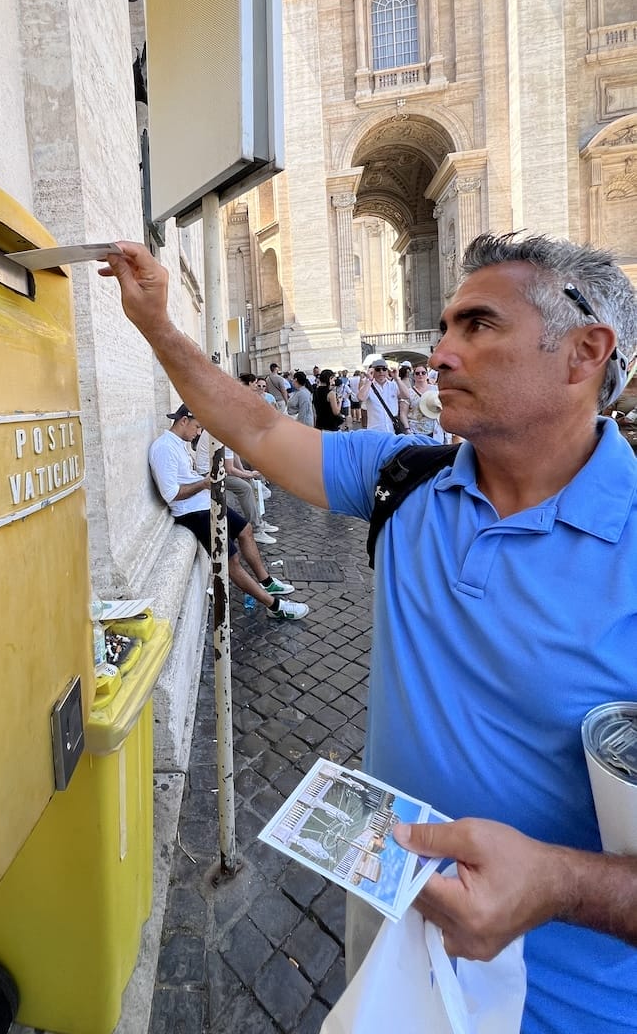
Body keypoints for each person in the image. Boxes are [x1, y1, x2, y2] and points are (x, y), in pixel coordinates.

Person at [102, 232, 637, 1034]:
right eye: (446, 325)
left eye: (478, 326)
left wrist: (560, 884)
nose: (441, 352)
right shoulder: (405, 476)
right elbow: (250, 426)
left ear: (584, 353)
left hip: (572, 1005)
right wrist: (155, 324)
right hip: (390, 934)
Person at [147, 403, 307, 620]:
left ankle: (267, 583)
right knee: (230, 561)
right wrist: (204, 484)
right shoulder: (164, 448)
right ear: (183, 421)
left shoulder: (179, 444)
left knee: (246, 530)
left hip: (204, 503)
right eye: (197, 427)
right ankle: (275, 606)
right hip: (193, 513)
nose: (199, 432)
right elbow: (171, 494)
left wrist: (204, 485)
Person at [194, 427, 278, 543]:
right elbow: (229, 469)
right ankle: (256, 530)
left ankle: (258, 522)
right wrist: (247, 475)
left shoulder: (229, 429)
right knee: (245, 488)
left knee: (248, 482)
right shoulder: (228, 432)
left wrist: (244, 472)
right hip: (208, 473)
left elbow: (233, 455)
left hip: (216, 469)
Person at [359, 359, 407, 433]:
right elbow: (361, 398)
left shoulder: (393, 385)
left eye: (384, 369)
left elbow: (406, 396)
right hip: (375, 431)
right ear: (372, 371)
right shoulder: (368, 386)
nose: (381, 372)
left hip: (393, 430)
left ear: (387, 371)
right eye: (378, 369)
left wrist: (397, 379)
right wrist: (369, 380)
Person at [406, 364, 441, 440]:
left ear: (427, 374)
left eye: (423, 373)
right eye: (417, 373)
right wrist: (408, 430)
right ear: (414, 376)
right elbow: (403, 413)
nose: (420, 375)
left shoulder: (435, 389)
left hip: (434, 430)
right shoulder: (409, 392)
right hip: (415, 432)